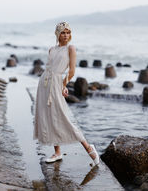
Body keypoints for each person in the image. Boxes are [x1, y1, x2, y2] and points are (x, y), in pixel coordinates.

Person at [33, 21, 99, 165]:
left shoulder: (71, 48)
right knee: (49, 116)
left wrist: (64, 85)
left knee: (62, 116)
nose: (66, 35)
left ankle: (88, 147)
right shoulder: (52, 49)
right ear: (57, 34)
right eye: (63, 32)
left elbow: (71, 71)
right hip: (44, 83)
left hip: (56, 83)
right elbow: (49, 67)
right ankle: (57, 152)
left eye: (68, 32)